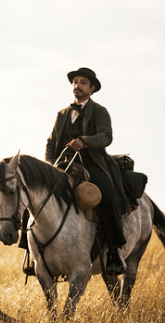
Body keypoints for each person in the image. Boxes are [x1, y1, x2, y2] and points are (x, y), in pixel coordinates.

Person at [44, 67, 128, 275]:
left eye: (82, 82)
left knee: (107, 197)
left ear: (91, 88)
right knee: (37, 195)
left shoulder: (100, 111)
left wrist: (85, 141)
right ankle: (31, 253)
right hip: (62, 165)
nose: (77, 86)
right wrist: (50, 165)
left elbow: (106, 136)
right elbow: (51, 142)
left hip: (92, 164)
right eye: (75, 82)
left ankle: (114, 252)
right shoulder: (62, 113)